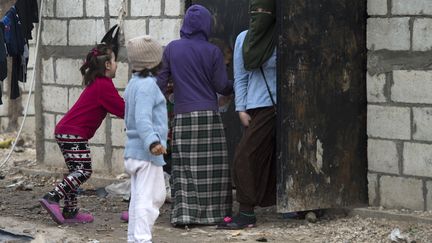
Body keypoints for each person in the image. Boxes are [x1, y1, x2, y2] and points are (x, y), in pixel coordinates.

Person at [158, 4, 233, 226]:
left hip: (183, 116)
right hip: (209, 116)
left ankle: (185, 215)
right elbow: (221, 85)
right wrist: (237, 86)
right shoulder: (213, 51)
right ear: (207, 25)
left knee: (184, 167)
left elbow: (160, 82)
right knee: (213, 167)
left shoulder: (171, 49)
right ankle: (216, 214)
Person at [38, 43, 125, 225]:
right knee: (83, 171)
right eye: (115, 61)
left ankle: (70, 211)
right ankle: (52, 197)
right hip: (73, 133)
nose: (118, 65)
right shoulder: (104, 85)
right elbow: (123, 109)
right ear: (107, 65)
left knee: (75, 172)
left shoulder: (100, 83)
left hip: (67, 131)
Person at [218, 28, 277, 230]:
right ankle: (246, 212)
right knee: (246, 156)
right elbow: (241, 76)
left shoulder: (285, 33)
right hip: (258, 106)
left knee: (281, 156)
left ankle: (299, 206)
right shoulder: (244, 38)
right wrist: (241, 108)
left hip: (288, 106)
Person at [124, 35, 168, 243]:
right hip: (146, 152)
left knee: (142, 197)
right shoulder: (148, 85)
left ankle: (135, 237)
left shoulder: (134, 83)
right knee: (149, 199)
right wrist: (153, 142)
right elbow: (143, 118)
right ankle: (142, 239)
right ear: (155, 62)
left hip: (135, 151)